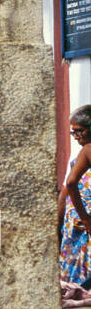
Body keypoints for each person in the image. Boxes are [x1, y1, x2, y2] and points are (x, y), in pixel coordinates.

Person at [59, 105, 91, 287]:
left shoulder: (85, 150)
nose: (77, 137)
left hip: (78, 217)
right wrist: (86, 219)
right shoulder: (86, 150)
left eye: (80, 132)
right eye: (74, 133)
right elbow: (69, 184)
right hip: (83, 218)